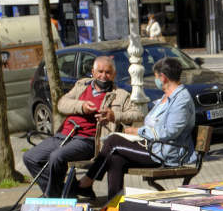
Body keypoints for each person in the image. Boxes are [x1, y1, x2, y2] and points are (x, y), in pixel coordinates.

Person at [75, 57, 194, 199]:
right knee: (115, 158)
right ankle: (114, 207)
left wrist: (137, 131)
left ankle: (86, 182)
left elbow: (169, 132)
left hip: (167, 154)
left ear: (162, 78)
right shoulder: (166, 97)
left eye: (156, 77)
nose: (156, 80)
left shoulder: (181, 100)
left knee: (113, 141)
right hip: (153, 147)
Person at [22, 55, 140, 196]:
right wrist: (81, 106)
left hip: (88, 140)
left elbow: (137, 115)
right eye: (100, 72)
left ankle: (55, 197)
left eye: (108, 72)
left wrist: (113, 116)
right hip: (64, 134)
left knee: (56, 157)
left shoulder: (120, 95)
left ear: (113, 75)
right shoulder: (81, 86)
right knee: (30, 157)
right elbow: (61, 104)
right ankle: (65, 192)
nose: (103, 76)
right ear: (93, 72)